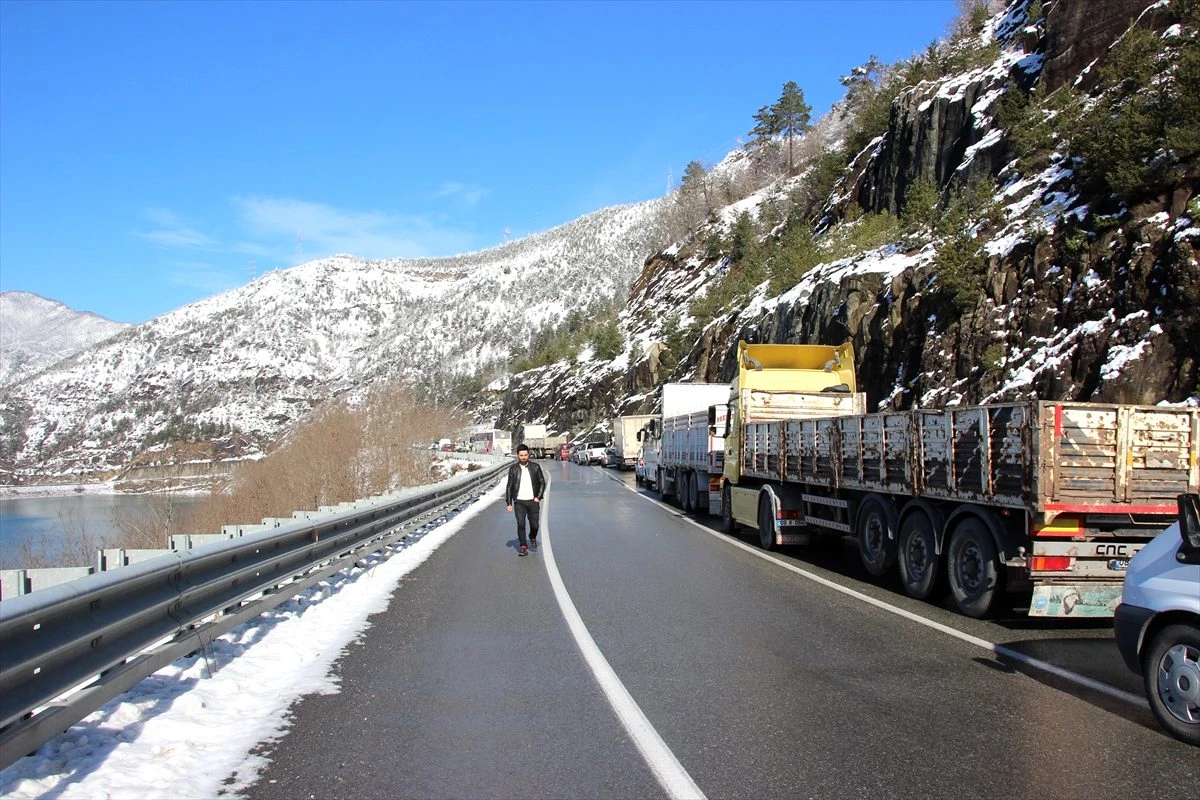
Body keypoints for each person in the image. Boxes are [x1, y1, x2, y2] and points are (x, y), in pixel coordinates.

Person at [505, 443, 546, 556]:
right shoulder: (513, 469)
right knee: (521, 524)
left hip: (533, 501)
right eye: (521, 455)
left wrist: (538, 496)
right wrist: (509, 503)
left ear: (529, 455)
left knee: (535, 525)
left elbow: (542, 482)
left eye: (525, 455)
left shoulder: (535, 467)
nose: (523, 457)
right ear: (517, 455)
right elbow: (509, 486)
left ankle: (532, 536)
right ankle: (523, 546)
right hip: (519, 502)